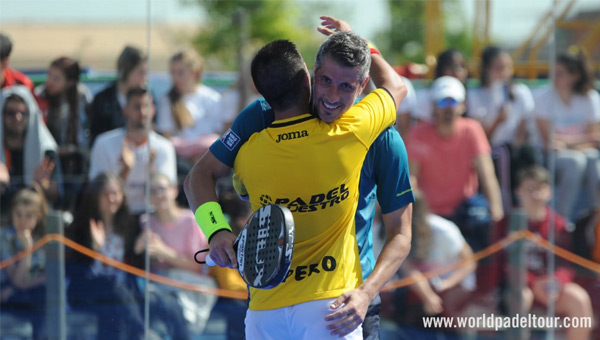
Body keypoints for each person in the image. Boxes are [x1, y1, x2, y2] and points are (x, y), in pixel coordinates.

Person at [185, 16, 413, 340]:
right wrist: (216, 231)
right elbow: (200, 176)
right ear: (311, 76)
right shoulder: (260, 116)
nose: (332, 96)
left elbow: (401, 234)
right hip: (304, 303)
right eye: (326, 81)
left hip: (351, 301)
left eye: (346, 86)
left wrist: (365, 293)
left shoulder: (383, 140)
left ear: (362, 85)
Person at [493, 166, 593, 340]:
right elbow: (501, 264)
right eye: (529, 189)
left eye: (540, 188)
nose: (535, 195)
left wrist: (556, 282)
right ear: (518, 192)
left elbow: (566, 263)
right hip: (520, 285)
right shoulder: (506, 224)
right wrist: (533, 283)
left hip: (551, 286)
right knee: (520, 298)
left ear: (549, 192)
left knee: (579, 298)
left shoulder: (558, 224)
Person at [407, 76, 503, 254]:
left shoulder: (472, 130)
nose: (448, 107)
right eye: (443, 102)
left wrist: (497, 220)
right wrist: (412, 217)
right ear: (434, 106)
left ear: (463, 105)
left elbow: (487, 177)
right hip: (430, 217)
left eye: (453, 101)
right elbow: (410, 180)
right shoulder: (418, 134)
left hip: (465, 213)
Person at [133, 172, 214, 335]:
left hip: (188, 286)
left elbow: (198, 266)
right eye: (153, 191)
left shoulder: (191, 220)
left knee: (169, 307)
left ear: (173, 191)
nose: (158, 195)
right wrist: (139, 250)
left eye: (161, 189)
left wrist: (165, 252)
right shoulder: (146, 222)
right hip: (158, 285)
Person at [467, 46, 537, 213]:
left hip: (514, 152)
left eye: (507, 67)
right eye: (499, 67)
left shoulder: (521, 93)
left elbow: (523, 129)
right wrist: (498, 121)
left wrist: (516, 148)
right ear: (486, 69)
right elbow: (480, 137)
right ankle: (501, 213)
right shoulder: (475, 95)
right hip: (489, 151)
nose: (504, 72)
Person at [534, 47, 600, 220]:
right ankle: (561, 220)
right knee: (577, 161)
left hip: (580, 153)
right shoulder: (544, 98)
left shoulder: (590, 98)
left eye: (561, 74)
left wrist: (567, 142)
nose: (555, 78)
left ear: (575, 76)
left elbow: (595, 138)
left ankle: (595, 219)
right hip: (550, 157)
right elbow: (549, 142)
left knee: (593, 160)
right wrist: (581, 141)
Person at [88, 87, 176, 215]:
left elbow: (166, 197)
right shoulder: (103, 143)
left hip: (151, 217)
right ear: (125, 110)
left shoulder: (164, 147)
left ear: (153, 110)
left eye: (147, 106)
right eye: (136, 107)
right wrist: (126, 169)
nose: (142, 113)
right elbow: (98, 195)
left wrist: (151, 169)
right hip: (116, 215)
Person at [35, 56, 93, 211]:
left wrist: (73, 149)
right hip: (49, 156)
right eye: (49, 76)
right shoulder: (40, 96)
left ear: (70, 82)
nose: (49, 82)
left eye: (56, 78)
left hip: (75, 157)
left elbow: (86, 131)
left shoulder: (82, 97)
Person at [0, 86, 59, 223]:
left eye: (23, 113)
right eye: (10, 113)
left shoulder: (46, 149)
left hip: (35, 222)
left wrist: (40, 185)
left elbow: (56, 196)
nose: (17, 118)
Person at [156, 49, 223, 162]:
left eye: (180, 72)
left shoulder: (213, 98)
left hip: (210, 159)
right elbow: (167, 138)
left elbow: (219, 134)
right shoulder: (166, 100)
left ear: (195, 73)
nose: (175, 78)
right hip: (180, 162)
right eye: (172, 72)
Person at [0, 186, 48, 340]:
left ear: (38, 217)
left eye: (28, 216)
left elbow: (47, 278)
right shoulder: (5, 237)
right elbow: (17, 280)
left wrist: (16, 288)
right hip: (10, 292)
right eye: (18, 214)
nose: (22, 221)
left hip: (28, 294)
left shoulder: (45, 239)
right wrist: (27, 250)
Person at [88, 46, 147, 145]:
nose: (144, 78)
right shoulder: (102, 100)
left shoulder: (147, 98)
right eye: (140, 73)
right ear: (126, 71)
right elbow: (95, 136)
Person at [413, 49, 468, 127]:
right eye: (453, 66)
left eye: (462, 66)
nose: (458, 71)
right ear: (441, 68)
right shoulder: (424, 97)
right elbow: (421, 131)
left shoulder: (472, 95)